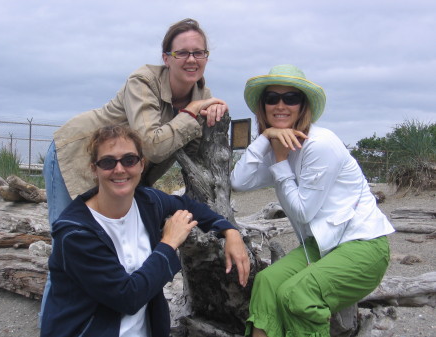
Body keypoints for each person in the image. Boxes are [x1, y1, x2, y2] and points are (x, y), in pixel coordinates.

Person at [40, 18, 227, 324]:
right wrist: (191, 115)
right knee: (66, 253)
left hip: (125, 174)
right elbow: (151, 145)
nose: (191, 59)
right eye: (182, 53)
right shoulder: (143, 81)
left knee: (119, 256)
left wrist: (215, 118)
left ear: (207, 57)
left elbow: (192, 156)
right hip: (76, 157)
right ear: (166, 58)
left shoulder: (203, 98)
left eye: (199, 52)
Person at [230, 65, 395, 337]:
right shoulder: (277, 145)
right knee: (268, 282)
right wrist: (264, 138)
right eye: (272, 98)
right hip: (323, 245)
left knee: (297, 295)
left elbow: (304, 212)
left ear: (302, 105)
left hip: (364, 246)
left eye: (290, 98)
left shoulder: (320, 143)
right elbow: (239, 181)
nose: (280, 105)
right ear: (263, 106)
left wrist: (281, 161)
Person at [40, 124, 250, 337]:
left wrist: (230, 231)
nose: (120, 169)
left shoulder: (146, 202)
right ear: (94, 169)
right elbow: (127, 297)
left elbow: (189, 205)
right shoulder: (75, 232)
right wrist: (168, 244)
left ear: (142, 164)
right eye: (108, 162)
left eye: (129, 160)